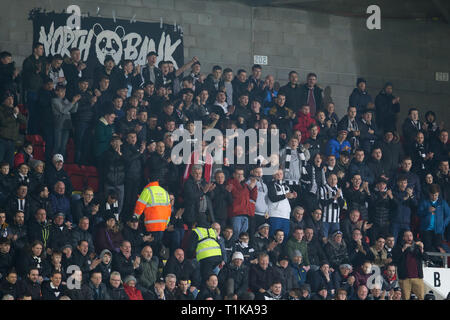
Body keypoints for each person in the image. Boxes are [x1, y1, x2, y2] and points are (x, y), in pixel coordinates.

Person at [133, 176, 171, 255]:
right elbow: (169, 210)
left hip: (151, 226)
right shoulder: (164, 192)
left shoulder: (147, 191)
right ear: (158, 180)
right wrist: (166, 223)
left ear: (148, 180)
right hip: (162, 226)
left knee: (149, 250)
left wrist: (135, 219)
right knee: (157, 249)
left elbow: (139, 206)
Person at [226, 167, 258, 241]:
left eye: (242, 174)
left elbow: (253, 197)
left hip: (246, 213)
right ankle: (233, 248)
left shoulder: (245, 185)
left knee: (243, 235)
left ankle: (240, 250)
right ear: (234, 175)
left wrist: (254, 186)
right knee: (236, 233)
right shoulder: (230, 182)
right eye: (238, 174)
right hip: (236, 213)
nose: (240, 176)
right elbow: (237, 195)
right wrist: (248, 185)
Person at [392, 230, 425, 300]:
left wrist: (422, 249)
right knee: (405, 298)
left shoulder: (417, 247)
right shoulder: (398, 247)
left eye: (410, 235)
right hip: (405, 278)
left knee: (421, 297)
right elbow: (396, 259)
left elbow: (426, 258)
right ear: (403, 238)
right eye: (407, 236)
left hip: (417, 277)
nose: (409, 237)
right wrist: (403, 249)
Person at [417, 184, 450, 253]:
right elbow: (419, 214)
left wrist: (443, 225)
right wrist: (427, 211)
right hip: (426, 230)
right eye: (432, 195)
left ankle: (437, 263)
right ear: (429, 193)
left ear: (438, 194)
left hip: (438, 231)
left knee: (438, 248)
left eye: (436, 195)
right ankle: (428, 263)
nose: (434, 197)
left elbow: (448, 215)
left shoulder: (442, 203)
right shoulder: (424, 202)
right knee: (427, 248)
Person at [267, 168, 296, 239]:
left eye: (281, 174)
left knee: (284, 237)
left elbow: (287, 200)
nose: (279, 175)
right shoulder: (270, 184)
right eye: (277, 174)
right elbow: (273, 198)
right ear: (273, 175)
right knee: (274, 236)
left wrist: (293, 197)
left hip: (286, 215)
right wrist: (286, 195)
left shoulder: (286, 185)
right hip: (275, 214)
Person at [0, 91, 27, 167]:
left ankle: (8, 179)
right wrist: (14, 115)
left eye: (12, 99)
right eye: (8, 99)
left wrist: (17, 114)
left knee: (10, 163)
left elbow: (24, 121)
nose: (11, 101)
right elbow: (3, 122)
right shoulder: (1, 109)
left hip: (12, 141)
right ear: (4, 100)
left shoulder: (14, 110)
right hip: (2, 140)